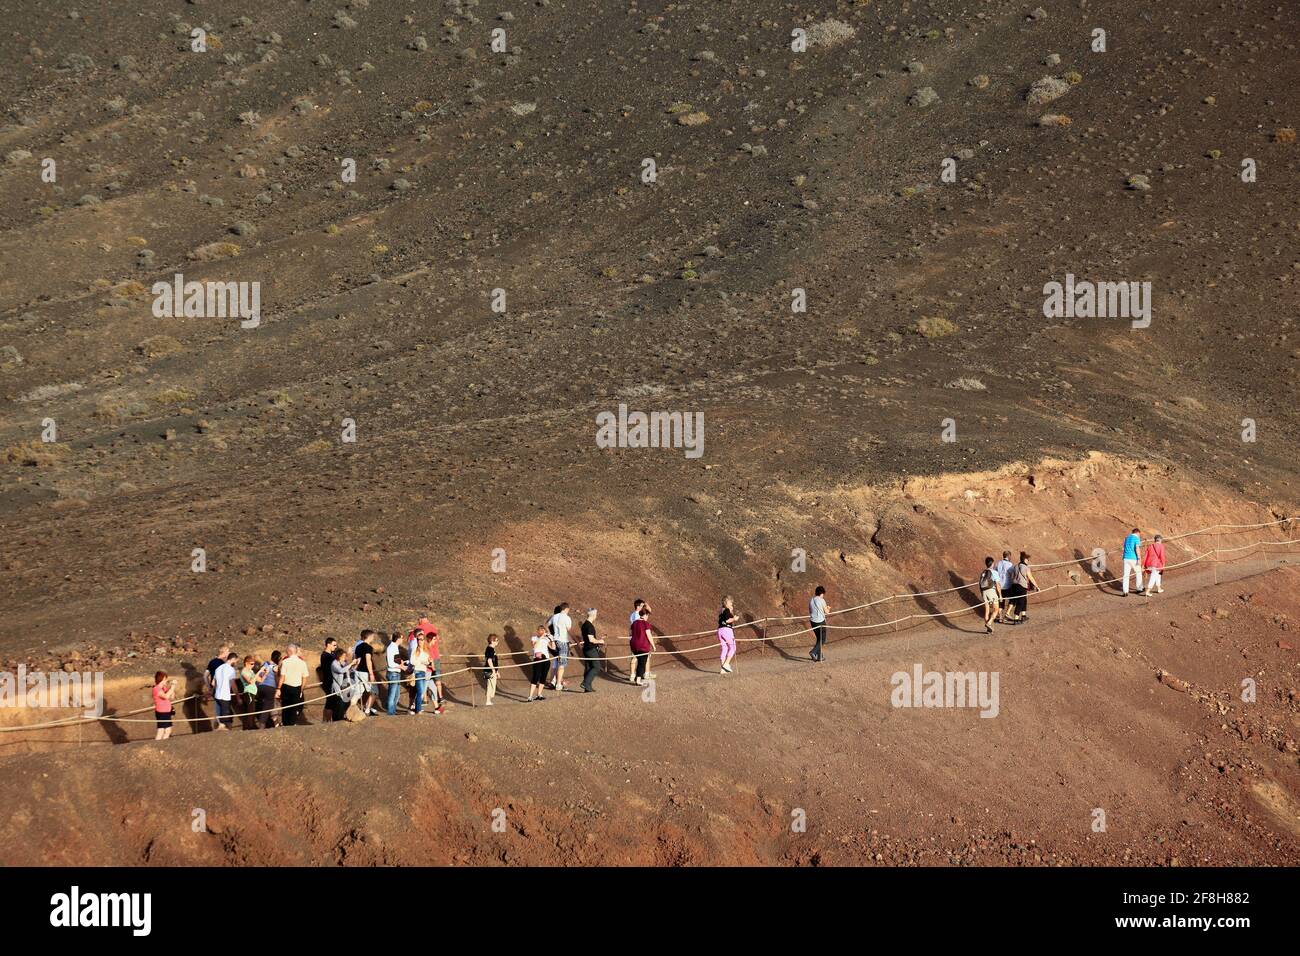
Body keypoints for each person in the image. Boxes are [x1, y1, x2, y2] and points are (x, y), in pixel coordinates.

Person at [277, 644, 311, 726]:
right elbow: (305, 677)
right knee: (294, 707)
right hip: (297, 687)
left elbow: (282, 677)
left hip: (286, 687)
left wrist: (278, 688)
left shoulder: (285, 662)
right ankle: (292, 723)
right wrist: (301, 689)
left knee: (285, 706)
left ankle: (286, 724)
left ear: (289, 651)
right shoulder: (302, 663)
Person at [547, 603, 573, 691]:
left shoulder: (554, 617)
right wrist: (576, 640)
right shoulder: (567, 618)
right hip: (563, 641)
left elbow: (546, 625)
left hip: (555, 641)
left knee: (555, 662)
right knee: (561, 664)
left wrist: (550, 636)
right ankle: (558, 684)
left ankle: (554, 681)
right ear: (566, 609)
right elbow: (569, 630)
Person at [353, 630, 379, 716]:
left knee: (358, 693)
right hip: (365, 672)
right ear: (368, 637)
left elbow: (356, 660)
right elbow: (368, 660)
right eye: (372, 636)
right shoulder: (368, 647)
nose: (373, 638)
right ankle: (367, 710)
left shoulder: (358, 647)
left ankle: (351, 710)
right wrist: (371, 674)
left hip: (357, 671)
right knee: (374, 691)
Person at [331, 649, 360, 721]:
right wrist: (350, 664)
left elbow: (350, 670)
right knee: (338, 704)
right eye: (343, 656)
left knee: (345, 703)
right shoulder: (334, 664)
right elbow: (341, 670)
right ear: (339, 656)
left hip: (346, 686)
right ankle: (336, 720)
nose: (345, 657)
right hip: (338, 687)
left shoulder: (343, 663)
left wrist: (355, 664)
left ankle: (342, 717)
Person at [212, 652, 239, 730]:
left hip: (217, 696)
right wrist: (238, 697)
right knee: (226, 719)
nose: (236, 663)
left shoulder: (218, 668)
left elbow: (213, 683)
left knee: (225, 715)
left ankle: (222, 728)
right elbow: (233, 685)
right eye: (236, 661)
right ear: (232, 659)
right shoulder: (231, 669)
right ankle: (226, 734)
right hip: (225, 696)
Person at [1009, 552, 1039, 622]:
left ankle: (1023, 615)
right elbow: (1031, 577)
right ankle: (1016, 619)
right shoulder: (1025, 567)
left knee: (1024, 600)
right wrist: (1037, 586)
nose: (1028, 561)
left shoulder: (1015, 566)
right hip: (1021, 586)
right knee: (1020, 601)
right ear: (1025, 559)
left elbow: (1012, 576)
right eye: (1028, 560)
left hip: (1014, 585)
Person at [580, 609, 604, 693]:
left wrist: (597, 641)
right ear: (593, 615)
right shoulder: (589, 626)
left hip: (586, 648)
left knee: (588, 667)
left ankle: (587, 687)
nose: (596, 616)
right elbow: (591, 639)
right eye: (596, 614)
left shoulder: (584, 625)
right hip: (590, 649)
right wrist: (600, 641)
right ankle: (586, 683)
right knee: (596, 667)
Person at [255, 650, 281, 728]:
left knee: (265, 704)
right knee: (269, 704)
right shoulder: (275, 667)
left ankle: (272, 722)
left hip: (260, 686)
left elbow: (260, 675)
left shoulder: (265, 664)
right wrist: (278, 688)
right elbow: (276, 679)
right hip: (270, 687)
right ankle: (262, 722)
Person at [629, 607, 654, 685]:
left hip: (634, 645)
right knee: (642, 663)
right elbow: (648, 635)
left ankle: (636, 677)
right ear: (645, 615)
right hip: (642, 646)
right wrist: (653, 645)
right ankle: (638, 680)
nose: (647, 617)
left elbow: (630, 633)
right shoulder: (646, 624)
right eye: (647, 615)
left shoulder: (634, 623)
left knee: (639, 661)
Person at [527, 625, 553, 702]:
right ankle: (530, 696)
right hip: (537, 659)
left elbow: (553, 648)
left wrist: (552, 640)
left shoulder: (546, 639)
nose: (542, 632)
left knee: (543, 677)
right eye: (540, 630)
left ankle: (539, 694)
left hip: (546, 659)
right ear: (537, 631)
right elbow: (534, 646)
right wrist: (541, 637)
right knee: (536, 676)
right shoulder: (534, 638)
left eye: (543, 630)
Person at [384, 632, 407, 716]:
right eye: (401, 638)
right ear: (397, 639)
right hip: (393, 673)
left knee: (396, 694)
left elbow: (395, 660)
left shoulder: (395, 647)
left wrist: (401, 663)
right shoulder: (391, 648)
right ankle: (390, 713)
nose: (402, 640)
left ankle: (393, 710)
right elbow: (390, 664)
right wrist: (401, 667)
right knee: (392, 694)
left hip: (396, 673)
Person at [978, 557, 1002, 634]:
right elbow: (998, 584)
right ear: (992, 563)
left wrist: (982, 593)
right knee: (996, 609)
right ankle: (989, 623)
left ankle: (988, 629)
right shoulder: (994, 572)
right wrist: (1000, 595)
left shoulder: (983, 572)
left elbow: (980, 584)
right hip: (991, 591)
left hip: (984, 592)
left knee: (987, 610)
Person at [409, 633, 431, 716]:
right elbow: (412, 661)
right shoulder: (415, 649)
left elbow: (427, 662)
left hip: (423, 671)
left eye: (421, 639)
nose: (420, 641)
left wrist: (428, 661)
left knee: (420, 691)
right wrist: (421, 662)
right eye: (418, 639)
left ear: (424, 640)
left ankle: (415, 708)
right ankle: (418, 709)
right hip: (417, 672)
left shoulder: (426, 650)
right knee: (420, 691)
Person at [319, 637, 339, 721]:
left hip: (334, 681)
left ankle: (329, 720)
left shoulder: (332, 654)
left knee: (332, 701)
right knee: (330, 702)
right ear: (328, 645)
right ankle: (326, 721)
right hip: (329, 681)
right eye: (334, 645)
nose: (335, 647)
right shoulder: (325, 656)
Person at [152, 671, 176, 741]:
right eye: (165, 679)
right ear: (161, 680)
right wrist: (172, 687)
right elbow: (165, 696)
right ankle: (159, 744)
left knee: (167, 730)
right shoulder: (156, 689)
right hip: (162, 712)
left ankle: (163, 744)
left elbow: (172, 697)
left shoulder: (164, 688)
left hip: (166, 712)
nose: (166, 681)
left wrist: (172, 688)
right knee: (161, 730)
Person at [1121, 527, 1145, 596]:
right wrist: (1139, 558)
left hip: (1126, 558)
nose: (1139, 536)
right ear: (1137, 533)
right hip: (1133, 558)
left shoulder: (1127, 538)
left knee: (1126, 575)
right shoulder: (1136, 538)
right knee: (1138, 573)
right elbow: (1137, 548)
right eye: (1139, 535)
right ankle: (1139, 588)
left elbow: (1124, 547)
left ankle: (1125, 591)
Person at [718, 596, 739, 674]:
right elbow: (727, 620)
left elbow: (723, 620)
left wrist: (732, 615)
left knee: (725, 648)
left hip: (720, 631)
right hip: (727, 630)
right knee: (733, 647)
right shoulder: (727, 610)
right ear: (726, 603)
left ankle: (723, 669)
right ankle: (726, 664)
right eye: (730, 603)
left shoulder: (721, 611)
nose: (731, 604)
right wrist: (734, 619)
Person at [238, 655, 260, 729]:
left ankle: (250, 726)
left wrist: (265, 673)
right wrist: (259, 671)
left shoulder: (251, 671)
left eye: (253, 664)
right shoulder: (244, 671)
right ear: (246, 663)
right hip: (248, 692)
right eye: (251, 664)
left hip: (252, 693)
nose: (253, 665)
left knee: (252, 710)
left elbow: (260, 680)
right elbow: (250, 681)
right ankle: (251, 727)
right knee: (251, 710)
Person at [993, 551, 1015, 623]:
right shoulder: (1010, 564)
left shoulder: (998, 563)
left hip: (999, 586)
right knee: (1013, 599)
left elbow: (994, 572)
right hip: (1007, 585)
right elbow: (1012, 574)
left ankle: (1000, 618)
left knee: (1001, 602)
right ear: (1009, 556)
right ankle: (1007, 613)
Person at [809, 585, 829, 662]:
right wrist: (828, 608)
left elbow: (810, 611)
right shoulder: (822, 600)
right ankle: (813, 652)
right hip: (820, 622)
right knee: (822, 640)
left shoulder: (811, 600)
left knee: (819, 639)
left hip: (813, 622)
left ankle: (819, 656)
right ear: (822, 593)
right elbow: (826, 612)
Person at [483, 633, 500, 706]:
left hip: (491, 670)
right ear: (492, 641)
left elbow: (494, 662)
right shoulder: (490, 649)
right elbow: (489, 660)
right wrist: (493, 671)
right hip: (489, 671)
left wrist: (497, 671)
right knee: (492, 686)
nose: (497, 642)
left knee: (490, 686)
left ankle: (488, 701)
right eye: (496, 640)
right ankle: (490, 697)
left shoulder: (491, 649)